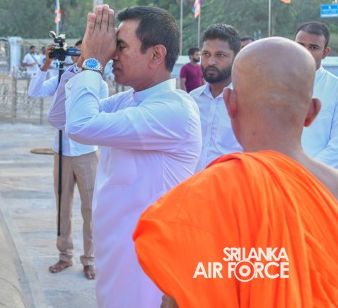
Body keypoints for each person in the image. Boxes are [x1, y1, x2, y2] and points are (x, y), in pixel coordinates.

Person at [134, 37, 338, 308]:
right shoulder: (332, 191)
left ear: (230, 103)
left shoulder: (201, 197)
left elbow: (182, 294)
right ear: (312, 112)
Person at [49, 5, 201, 307]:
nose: (113, 55)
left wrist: (94, 63)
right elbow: (60, 118)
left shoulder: (174, 109)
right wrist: (83, 62)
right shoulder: (128, 101)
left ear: (156, 55)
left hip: (145, 264)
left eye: (121, 47)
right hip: (117, 256)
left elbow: (81, 125)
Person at [28, 40, 109, 280]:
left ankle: (90, 259)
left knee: (90, 208)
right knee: (63, 205)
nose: (78, 57)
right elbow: (34, 91)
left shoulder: (99, 84)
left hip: (86, 152)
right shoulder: (62, 78)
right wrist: (47, 63)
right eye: (76, 53)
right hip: (62, 151)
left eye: (84, 53)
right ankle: (65, 255)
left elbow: (99, 115)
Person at [190, 24, 242, 172]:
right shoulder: (192, 100)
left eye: (220, 55)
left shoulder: (246, 102)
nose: (211, 62)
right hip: (192, 183)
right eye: (206, 54)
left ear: (236, 58)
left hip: (230, 183)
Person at [295, 21, 338, 168]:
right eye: (300, 45)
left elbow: (336, 147)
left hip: (317, 176)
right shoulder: (274, 83)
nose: (305, 52)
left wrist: (304, 171)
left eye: (313, 47)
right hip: (276, 172)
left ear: (325, 53)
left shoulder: (335, 88)